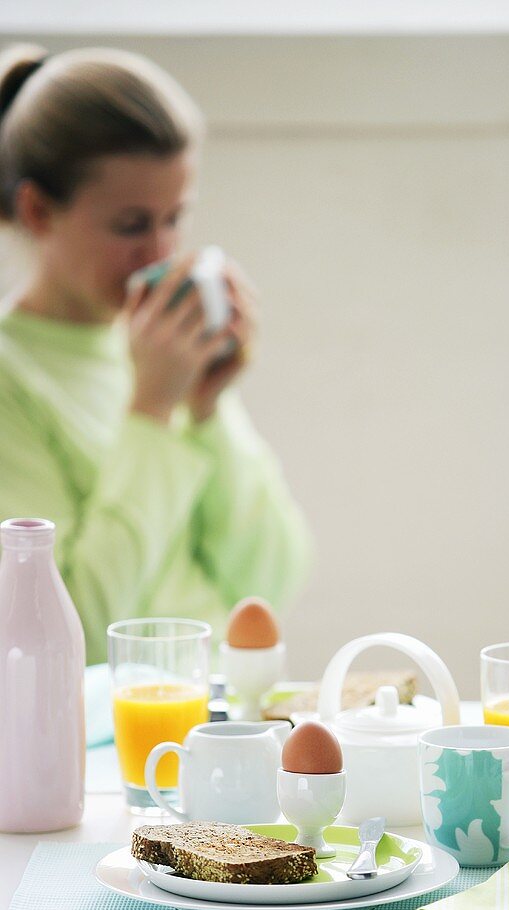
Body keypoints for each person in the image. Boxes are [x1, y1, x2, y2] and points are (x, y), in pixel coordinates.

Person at [0, 43, 312, 663]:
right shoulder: (15, 380)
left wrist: (207, 410)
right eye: (132, 225)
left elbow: (271, 583)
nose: (162, 252)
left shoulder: (155, 346)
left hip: (219, 703)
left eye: (176, 218)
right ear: (38, 210)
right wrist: (149, 411)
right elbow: (72, 641)